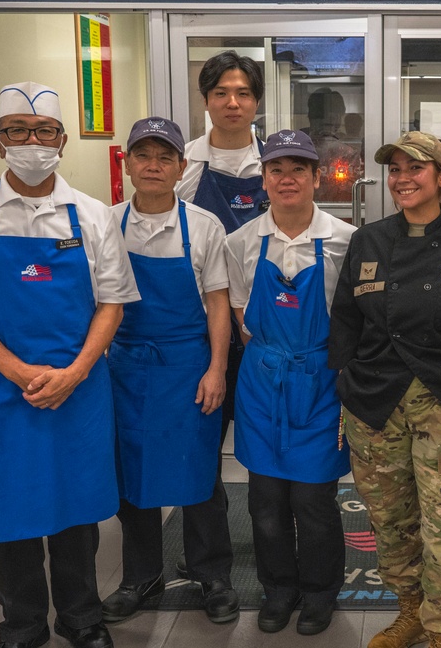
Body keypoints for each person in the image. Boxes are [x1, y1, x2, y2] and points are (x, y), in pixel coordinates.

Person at [0, 82, 140, 648]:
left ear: (62, 140)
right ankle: (21, 623)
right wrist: (21, 372)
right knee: (9, 507)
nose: (32, 142)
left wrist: (73, 373)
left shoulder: (93, 216)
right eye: (17, 130)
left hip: (81, 387)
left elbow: (111, 304)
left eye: (43, 131)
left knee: (77, 507)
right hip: (1, 391)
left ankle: (81, 618)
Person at [329, 131, 441, 648]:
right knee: (391, 521)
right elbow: (345, 317)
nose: (403, 179)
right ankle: (410, 610)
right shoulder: (368, 240)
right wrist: (348, 381)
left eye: (416, 169)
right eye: (396, 170)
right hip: (375, 400)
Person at [100, 117, 237, 624]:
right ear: (128, 163)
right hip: (125, 366)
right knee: (129, 478)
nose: (153, 166)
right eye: (143, 156)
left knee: (197, 474)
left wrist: (217, 369)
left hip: (187, 365)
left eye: (165, 157)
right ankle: (142, 577)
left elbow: (218, 304)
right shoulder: (103, 222)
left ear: (182, 166)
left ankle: (213, 576)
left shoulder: (203, 225)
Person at [225, 130, 355, 635]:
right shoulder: (242, 242)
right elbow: (241, 312)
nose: (287, 178)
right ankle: (279, 589)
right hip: (262, 384)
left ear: (317, 177)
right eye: (277, 169)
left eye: (299, 168)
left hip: (320, 384)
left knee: (313, 499)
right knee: (266, 499)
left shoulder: (345, 241)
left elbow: (354, 318)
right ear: (264, 179)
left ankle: (321, 592)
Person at [173, 50, 268, 585]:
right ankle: (206, 562)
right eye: (221, 94)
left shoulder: (276, 161)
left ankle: (274, 544)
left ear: (257, 101)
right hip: (204, 330)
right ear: (206, 100)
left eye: (244, 94)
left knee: (266, 449)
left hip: (265, 332)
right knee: (203, 449)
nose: (233, 103)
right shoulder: (182, 163)